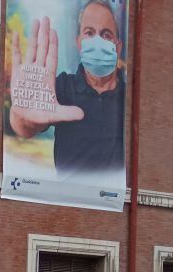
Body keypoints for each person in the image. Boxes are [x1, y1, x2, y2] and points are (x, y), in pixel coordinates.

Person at [9, 1, 125, 177]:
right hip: (67, 202)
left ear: (118, 46)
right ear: (78, 42)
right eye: (89, 33)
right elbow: (25, 128)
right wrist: (21, 116)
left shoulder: (129, 99)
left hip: (114, 202)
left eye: (106, 34)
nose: (97, 41)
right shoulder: (62, 86)